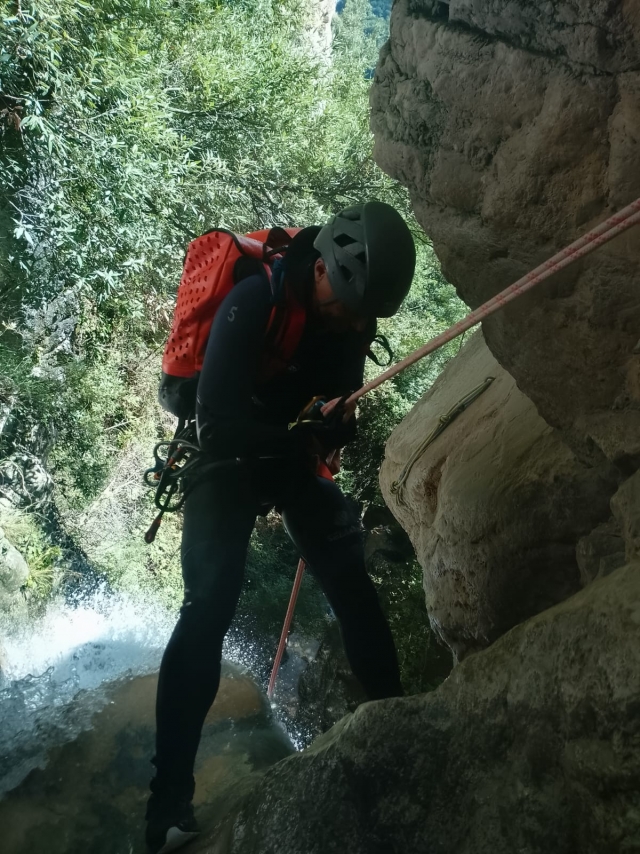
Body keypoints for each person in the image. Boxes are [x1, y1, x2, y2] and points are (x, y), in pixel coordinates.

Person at [145, 201, 416, 853]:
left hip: (285, 450)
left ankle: (403, 724)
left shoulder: (348, 317)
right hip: (226, 453)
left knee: (347, 573)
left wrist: (332, 427)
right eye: (347, 305)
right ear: (320, 267)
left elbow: (336, 404)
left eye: (363, 316)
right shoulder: (254, 298)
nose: (353, 322)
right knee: (208, 605)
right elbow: (216, 424)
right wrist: (300, 441)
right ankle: (166, 807)